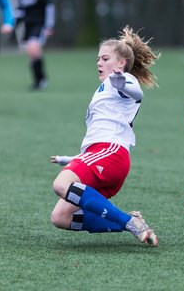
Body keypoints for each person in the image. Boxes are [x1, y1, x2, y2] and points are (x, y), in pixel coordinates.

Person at [50, 26, 159, 246]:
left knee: (61, 184)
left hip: (111, 155)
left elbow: (136, 93)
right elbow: (100, 134)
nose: (99, 62)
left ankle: (128, 221)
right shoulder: (105, 89)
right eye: (98, 58)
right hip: (102, 155)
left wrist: (120, 79)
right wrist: (73, 159)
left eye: (105, 58)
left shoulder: (123, 80)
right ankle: (131, 221)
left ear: (120, 63)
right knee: (61, 218)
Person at [15, 0, 55, 90]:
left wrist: (49, 25)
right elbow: (20, 10)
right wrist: (13, 24)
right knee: (32, 53)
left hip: (40, 25)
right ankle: (38, 80)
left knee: (33, 48)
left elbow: (49, 7)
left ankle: (41, 79)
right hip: (29, 25)